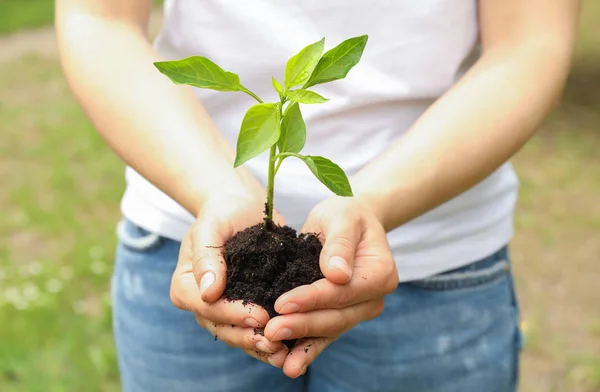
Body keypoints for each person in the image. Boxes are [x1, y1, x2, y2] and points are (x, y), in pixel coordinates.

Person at [55, 0, 579, 391]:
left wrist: (372, 203)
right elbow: (97, 19)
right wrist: (214, 188)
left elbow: (531, 42)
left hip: (436, 264)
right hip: (191, 252)